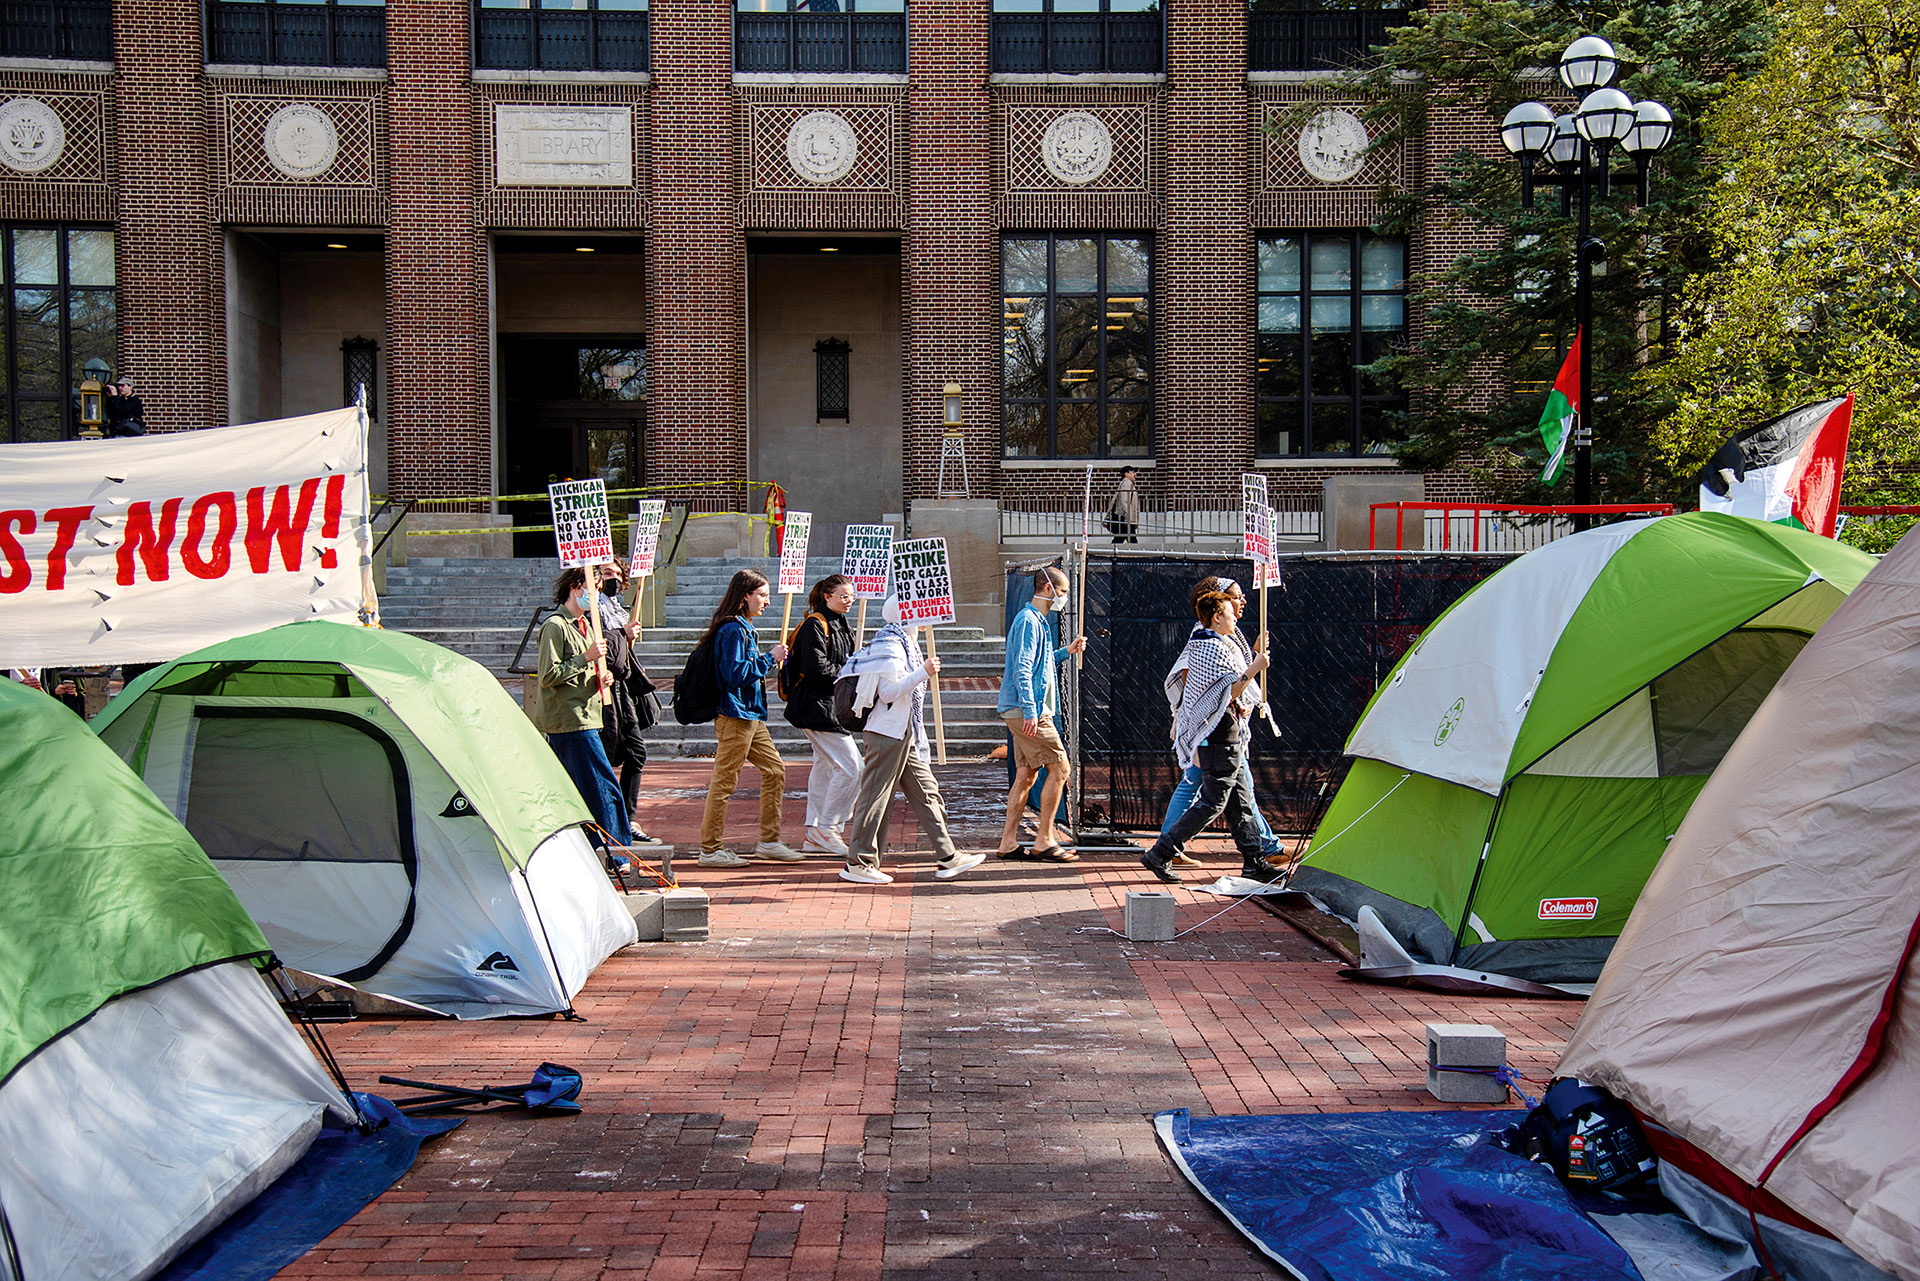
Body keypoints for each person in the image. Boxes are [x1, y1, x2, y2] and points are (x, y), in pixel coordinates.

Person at [838, 595, 987, 885]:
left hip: (903, 733)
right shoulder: (890, 645)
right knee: (875, 798)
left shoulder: (904, 644)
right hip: (886, 732)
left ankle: (947, 856)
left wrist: (921, 672)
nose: (922, 621)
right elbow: (888, 693)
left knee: (927, 792)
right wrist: (923, 673)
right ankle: (859, 861)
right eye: (917, 613)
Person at [1141, 582, 1274, 884]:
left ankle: (1254, 860)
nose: (1235, 617)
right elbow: (1227, 691)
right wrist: (1255, 667)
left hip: (1227, 732)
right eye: (1230, 612)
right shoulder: (1209, 646)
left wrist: (1253, 658)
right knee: (1213, 802)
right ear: (1216, 616)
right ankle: (1161, 852)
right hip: (1217, 735)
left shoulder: (1217, 643)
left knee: (1240, 801)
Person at [697, 569, 803, 867]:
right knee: (724, 781)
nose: (767, 602)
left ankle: (769, 841)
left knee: (775, 770)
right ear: (745, 596)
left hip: (749, 715)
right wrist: (769, 658)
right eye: (762, 595)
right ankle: (710, 848)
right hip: (735, 714)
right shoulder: (733, 629)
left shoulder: (742, 627)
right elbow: (735, 674)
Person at [532, 567, 632, 869]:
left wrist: (601, 677)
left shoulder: (586, 625)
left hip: (588, 715)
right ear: (576, 588)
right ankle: (617, 853)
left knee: (582, 789)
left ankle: (594, 850)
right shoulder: (555, 626)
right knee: (603, 786)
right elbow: (548, 675)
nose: (596, 595)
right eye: (593, 588)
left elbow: (585, 670)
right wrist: (585, 657)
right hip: (570, 720)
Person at [995, 566, 1088, 862]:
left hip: (1024, 708)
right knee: (1061, 769)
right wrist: (1030, 710)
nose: (1063, 598)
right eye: (1062, 592)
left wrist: (1067, 651)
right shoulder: (1029, 620)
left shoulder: (1036, 621)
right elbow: (1022, 668)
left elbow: (1041, 662)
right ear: (1048, 589)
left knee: (1026, 774)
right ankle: (1045, 840)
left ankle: (1008, 842)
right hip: (1028, 710)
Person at [784, 573, 861, 856]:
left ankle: (815, 829)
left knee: (825, 766)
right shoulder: (815, 624)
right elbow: (816, 667)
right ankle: (827, 828)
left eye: (851, 596)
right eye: (843, 596)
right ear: (827, 597)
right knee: (853, 767)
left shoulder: (842, 623)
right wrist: (849, 675)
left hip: (830, 705)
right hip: (817, 707)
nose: (849, 600)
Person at [592, 561, 666, 848]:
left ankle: (627, 819)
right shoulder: (593, 608)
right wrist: (622, 634)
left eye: (618, 574)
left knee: (635, 751)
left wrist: (626, 636)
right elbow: (604, 649)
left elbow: (620, 654)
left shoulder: (616, 607)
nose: (613, 579)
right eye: (607, 573)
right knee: (607, 752)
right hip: (602, 690)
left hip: (622, 689)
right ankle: (607, 820)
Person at [1107, 465, 1140, 544]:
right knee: (1131, 540)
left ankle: (1112, 550)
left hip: (1124, 517)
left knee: (1120, 538)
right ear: (1126, 474)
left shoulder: (1127, 483)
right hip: (1124, 518)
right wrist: (1128, 518)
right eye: (1133, 472)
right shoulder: (1126, 483)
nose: (1135, 474)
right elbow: (1125, 501)